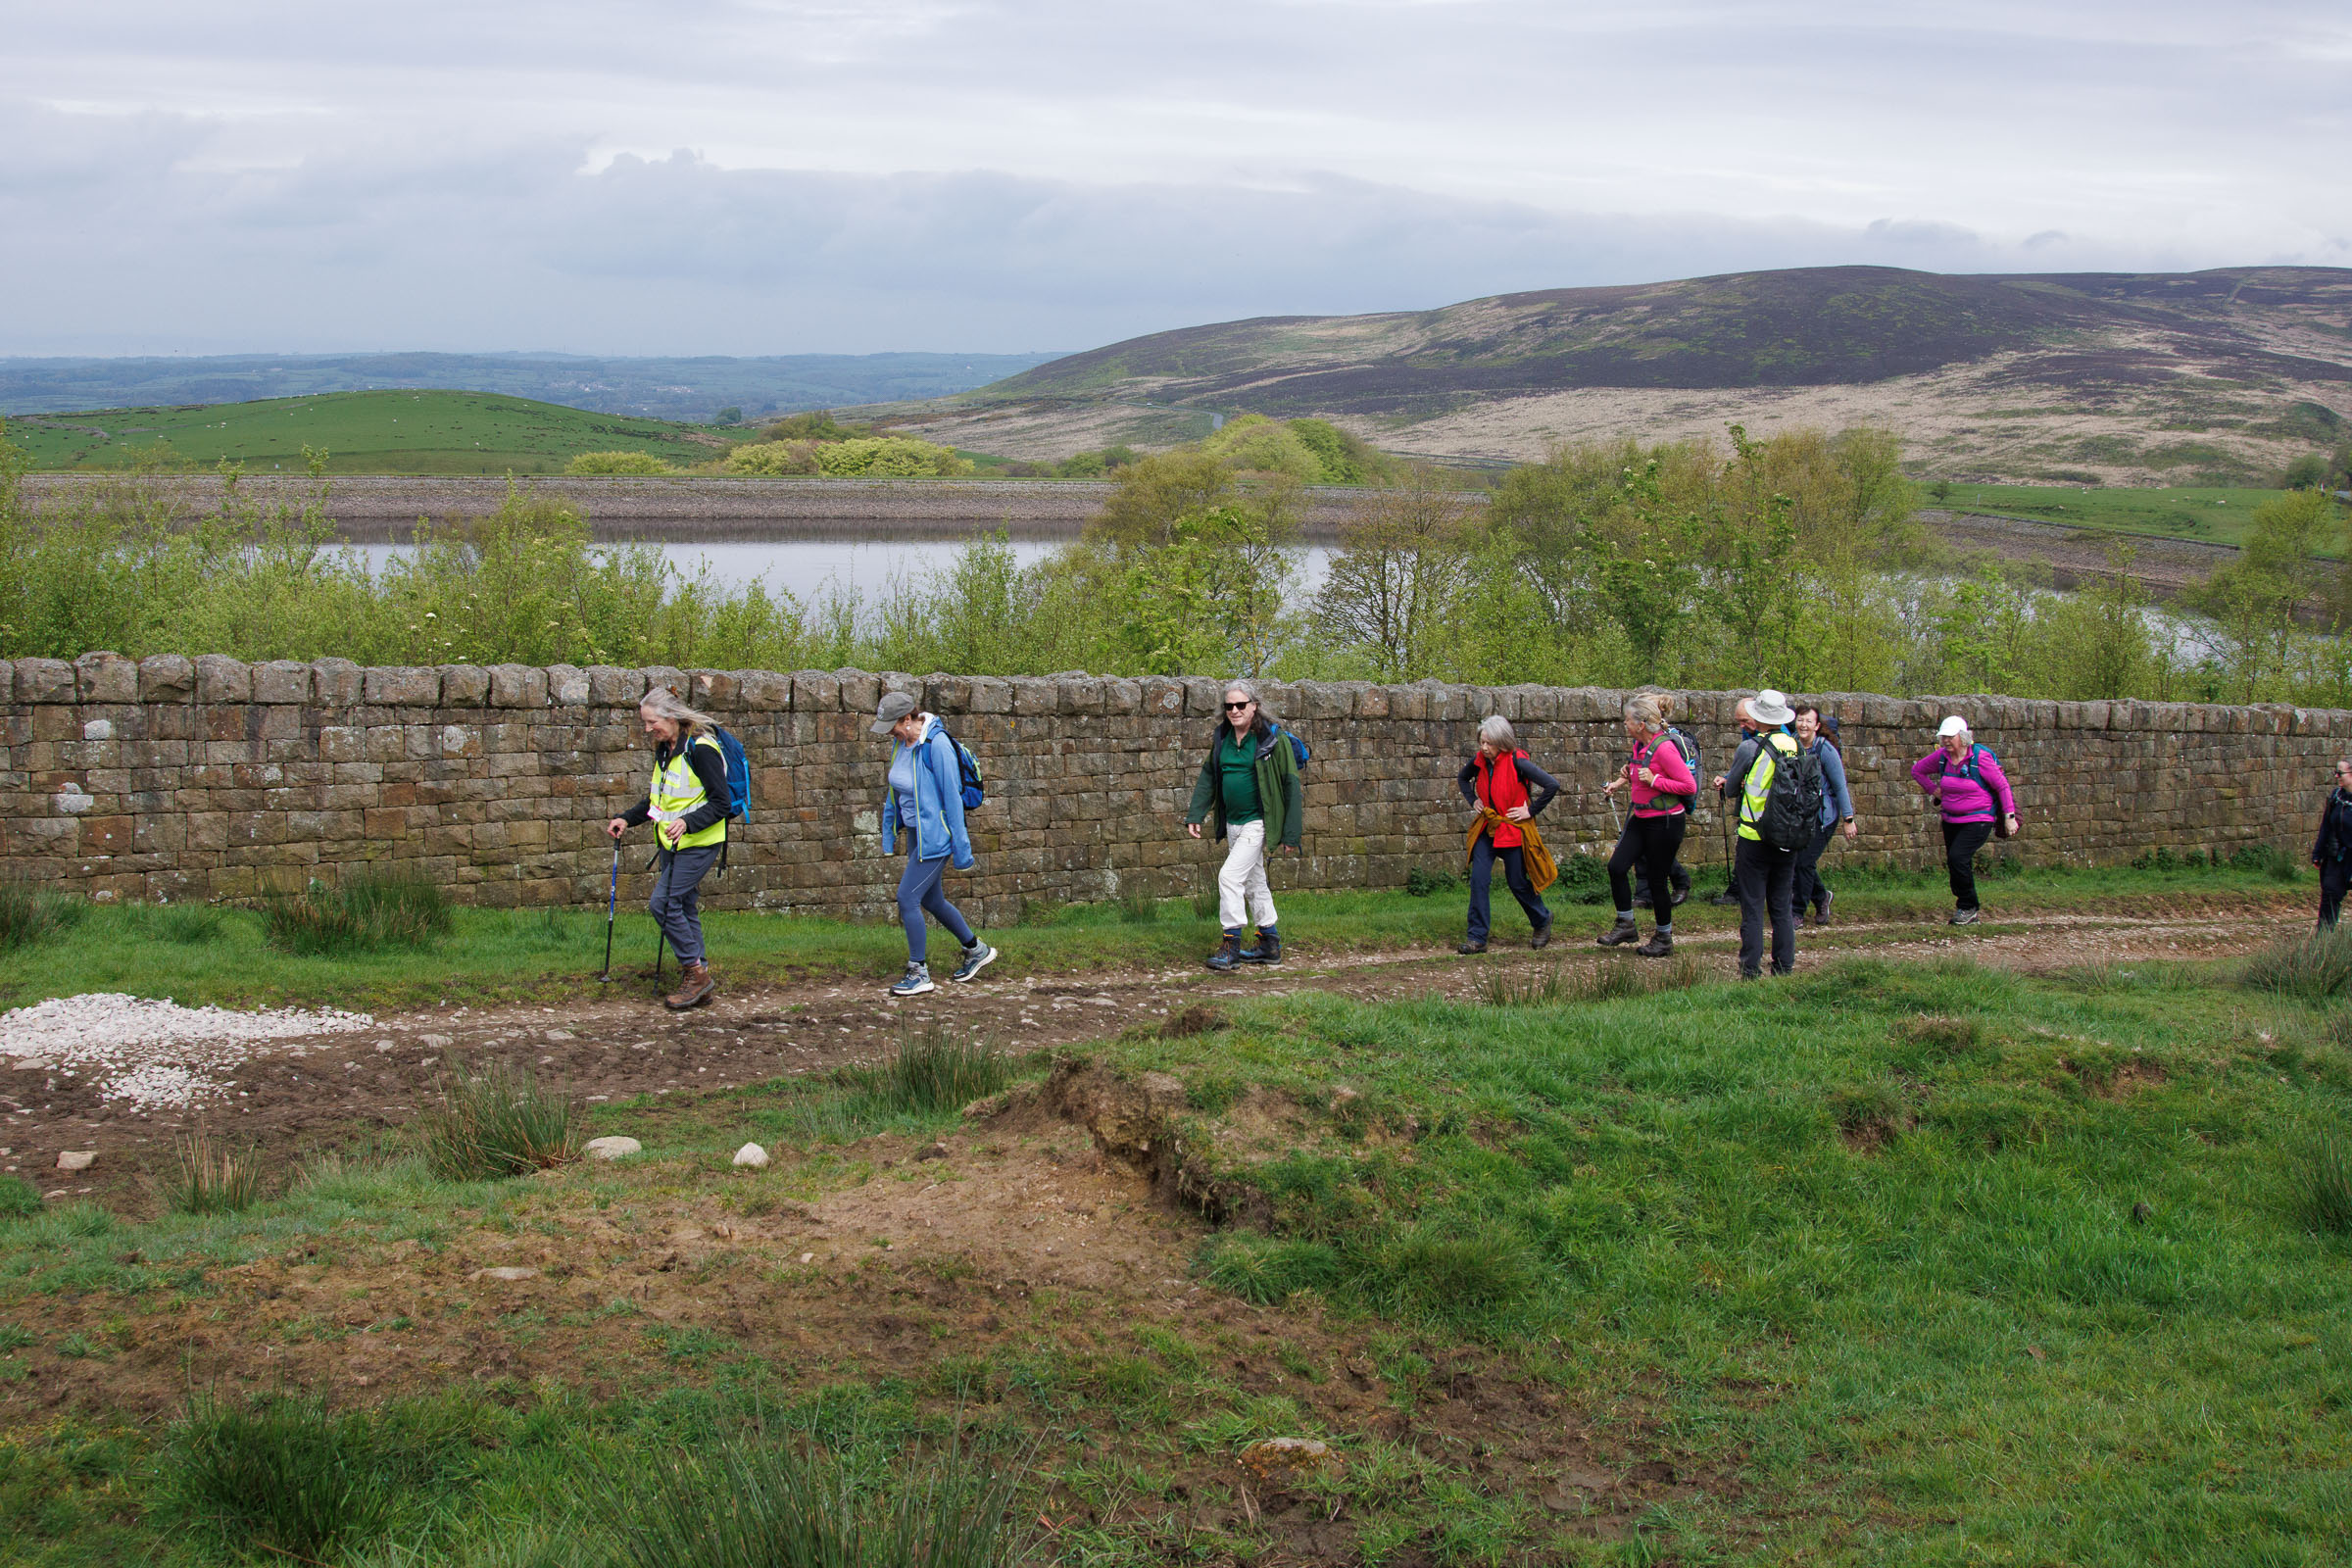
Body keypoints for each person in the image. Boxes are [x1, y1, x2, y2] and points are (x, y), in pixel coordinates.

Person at [608, 688, 732, 1010]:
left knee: (662, 903)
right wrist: (626, 818)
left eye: (653, 722)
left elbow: (722, 803)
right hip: (670, 842)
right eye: (645, 723)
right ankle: (700, 975)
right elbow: (657, 801)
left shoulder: (701, 749)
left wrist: (689, 823)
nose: (648, 729)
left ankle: (696, 974)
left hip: (699, 842)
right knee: (683, 904)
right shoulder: (665, 748)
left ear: (672, 717)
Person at [874, 692, 996, 997]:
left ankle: (919, 972)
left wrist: (961, 848)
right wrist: (891, 829)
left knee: (907, 898)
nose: (890, 732)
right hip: (917, 833)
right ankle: (976, 950)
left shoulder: (937, 745)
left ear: (907, 719)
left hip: (936, 837)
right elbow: (896, 790)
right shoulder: (901, 744)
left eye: (893, 725)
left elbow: (952, 799)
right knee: (931, 900)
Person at [1187, 679, 1303, 970]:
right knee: (1254, 883)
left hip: (1258, 823)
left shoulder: (1270, 740)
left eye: (1241, 705)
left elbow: (1290, 785)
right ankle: (1269, 945)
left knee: (1228, 878)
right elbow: (1208, 777)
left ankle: (1231, 947)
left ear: (1255, 706)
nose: (1234, 711)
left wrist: (1291, 833)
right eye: (1229, 706)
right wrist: (1195, 814)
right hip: (1234, 825)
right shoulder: (1223, 738)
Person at [1598, 695, 1696, 956]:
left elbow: (1689, 786)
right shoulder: (1639, 746)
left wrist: (1655, 781)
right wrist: (1620, 783)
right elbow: (1636, 772)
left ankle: (1664, 938)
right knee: (1617, 866)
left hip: (1665, 822)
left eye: (1627, 720)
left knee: (1656, 879)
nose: (1624, 724)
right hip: (1641, 819)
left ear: (1641, 724)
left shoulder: (1664, 748)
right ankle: (1626, 924)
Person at [1715, 689, 1803, 979]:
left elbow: (1730, 789)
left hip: (1754, 837)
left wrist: (1732, 783)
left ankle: (1750, 970)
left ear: (1757, 717)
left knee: (1752, 906)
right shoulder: (1795, 746)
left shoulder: (1750, 748)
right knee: (1781, 906)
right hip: (1787, 837)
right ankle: (1784, 967)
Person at [1455, 715, 1559, 953]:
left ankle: (1542, 920)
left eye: (1489, 743)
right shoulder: (1480, 760)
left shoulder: (1518, 762)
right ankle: (1477, 938)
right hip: (1487, 826)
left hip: (1512, 828)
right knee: (1479, 880)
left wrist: (1529, 810)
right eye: (1482, 742)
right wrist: (1473, 800)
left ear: (1502, 742)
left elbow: (1551, 785)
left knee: (1517, 882)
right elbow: (1463, 778)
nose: (1483, 748)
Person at [1911, 715, 2019, 926]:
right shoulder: (1942, 757)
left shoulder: (1981, 758)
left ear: (1963, 737)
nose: (1946, 741)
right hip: (1951, 819)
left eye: (1950, 737)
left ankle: (1968, 906)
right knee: (1957, 862)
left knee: (1957, 858)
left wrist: (2009, 816)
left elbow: (2002, 786)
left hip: (1979, 817)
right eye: (1943, 738)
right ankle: (1967, 907)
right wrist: (1934, 790)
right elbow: (1918, 770)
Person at [1792, 703, 1857, 924]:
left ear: (1817, 725)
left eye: (1808, 721)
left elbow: (1840, 786)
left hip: (1823, 816)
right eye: (1800, 720)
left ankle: (1797, 912)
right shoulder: (1790, 745)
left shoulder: (1825, 750)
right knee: (1798, 861)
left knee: (1803, 862)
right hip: (1798, 815)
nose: (1803, 724)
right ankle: (1821, 897)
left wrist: (1848, 819)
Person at [1632, 692, 1697, 909]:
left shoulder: (1666, 742)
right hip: (1645, 804)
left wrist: (1655, 781)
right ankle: (1646, 893)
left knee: (1655, 852)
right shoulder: (1640, 741)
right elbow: (1638, 768)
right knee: (1644, 850)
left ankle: (1678, 882)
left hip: (1664, 808)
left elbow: (1686, 783)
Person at [2311, 760, 2352, 927]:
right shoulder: (2336, 797)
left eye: (2340, 773)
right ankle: (2323, 943)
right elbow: (2326, 826)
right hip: (2337, 857)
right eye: (2336, 772)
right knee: (2329, 895)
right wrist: (2318, 853)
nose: (2337, 776)